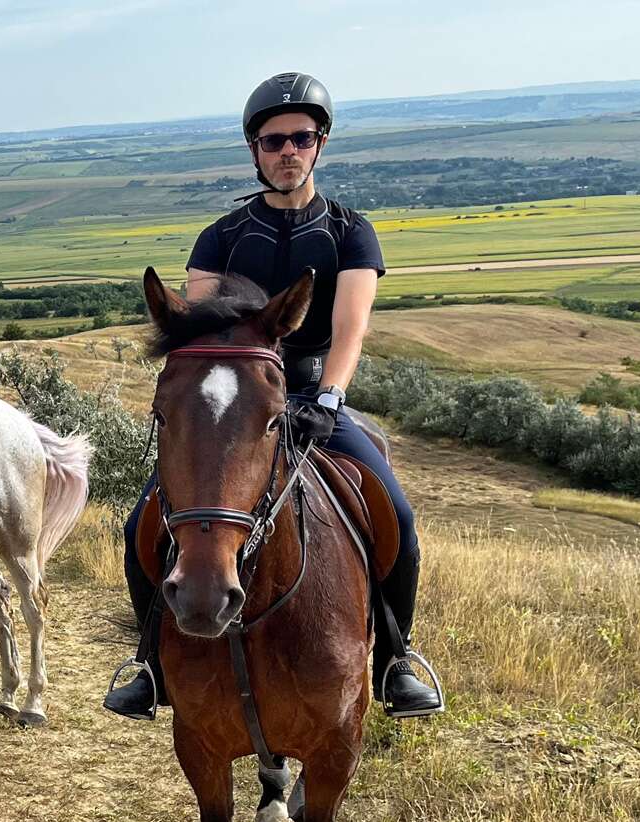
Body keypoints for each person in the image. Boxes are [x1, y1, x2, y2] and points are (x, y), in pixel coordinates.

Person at [103, 73, 442, 720]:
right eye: (274, 140)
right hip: (238, 404)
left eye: (302, 138)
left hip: (315, 394)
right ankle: (150, 665)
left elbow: (350, 328)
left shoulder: (350, 232)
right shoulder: (221, 236)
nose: (288, 150)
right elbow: (201, 337)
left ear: (320, 144)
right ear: (254, 149)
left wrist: (331, 398)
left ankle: (396, 660)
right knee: (141, 522)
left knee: (396, 515)